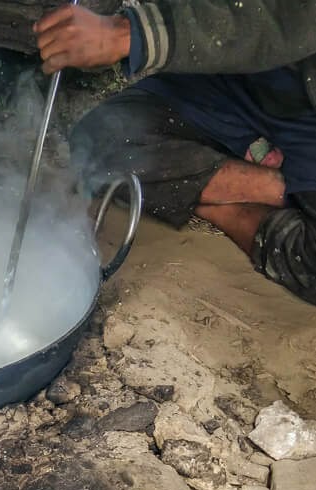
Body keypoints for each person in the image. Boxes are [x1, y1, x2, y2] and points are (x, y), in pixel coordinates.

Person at [32, 2, 316, 304]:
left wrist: (128, 34)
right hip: (235, 83)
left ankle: (272, 190)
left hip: (306, 109)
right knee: (102, 138)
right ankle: (270, 188)